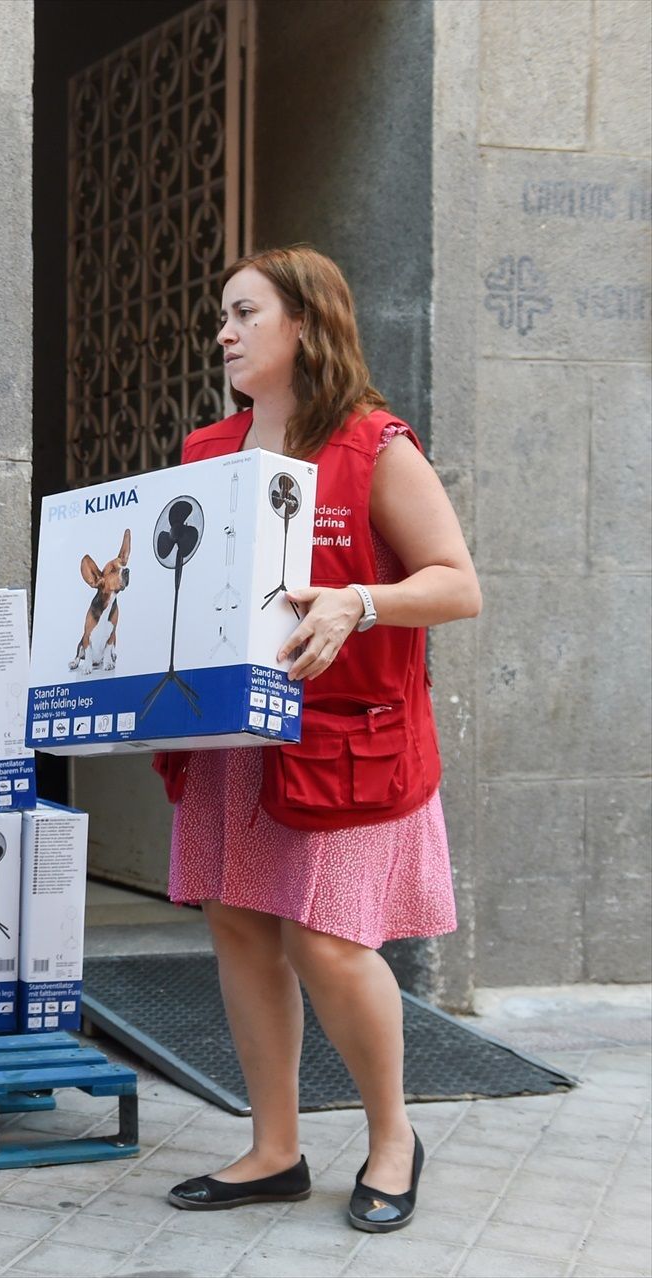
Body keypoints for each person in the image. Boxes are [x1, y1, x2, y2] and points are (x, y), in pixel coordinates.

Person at [153, 246, 481, 1234]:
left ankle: (392, 1138)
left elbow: (456, 583)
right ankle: (275, 1149)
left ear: (304, 324)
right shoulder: (207, 452)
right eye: (222, 315)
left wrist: (362, 603)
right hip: (235, 744)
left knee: (328, 943)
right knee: (241, 925)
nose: (224, 331)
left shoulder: (376, 445)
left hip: (347, 736)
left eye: (245, 312)